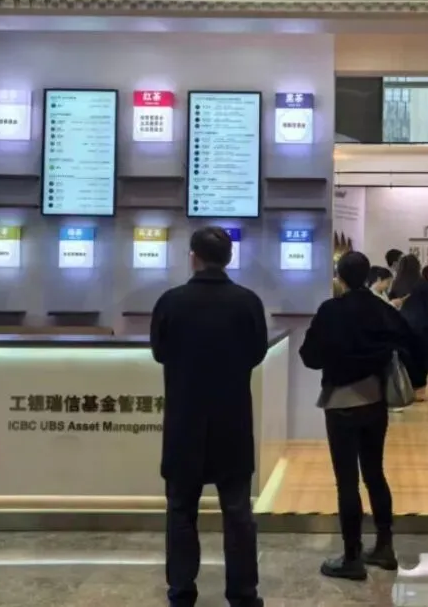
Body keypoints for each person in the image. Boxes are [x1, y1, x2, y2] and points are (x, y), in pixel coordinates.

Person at [151, 227, 268, 607]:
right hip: (233, 421)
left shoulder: (171, 302)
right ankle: (243, 593)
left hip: (184, 422)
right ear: (229, 258)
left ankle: (181, 591)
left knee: (181, 509)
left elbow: (159, 352)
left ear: (193, 257)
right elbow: (257, 353)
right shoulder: (247, 302)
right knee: (237, 511)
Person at [299, 251, 412, 581]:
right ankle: (385, 547)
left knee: (347, 480)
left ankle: (351, 557)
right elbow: (409, 343)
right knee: (375, 473)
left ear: (339, 276)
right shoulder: (382, 309)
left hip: (340, 401)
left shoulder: (330, 310)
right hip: (376, 400)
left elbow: (310, 357)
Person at [389, 253, 428, 395]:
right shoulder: (423, 283)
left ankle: (407, 387)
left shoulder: (396, 284)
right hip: (422, 325)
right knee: (421, 357)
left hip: (401, 324)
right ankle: (420, 388)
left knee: (406, 357)